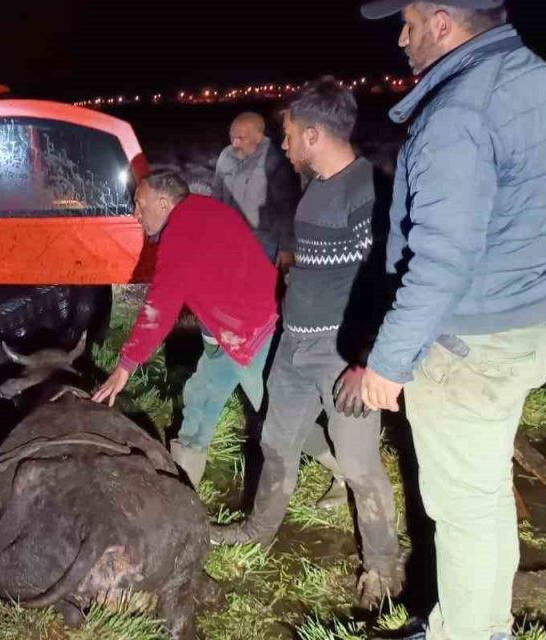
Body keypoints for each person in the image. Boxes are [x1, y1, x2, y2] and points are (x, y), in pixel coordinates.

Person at [356, 2, 546, 638]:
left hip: (466, 343)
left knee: (461, 510)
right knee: (482, 501)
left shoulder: (458, 113)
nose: (400, 39)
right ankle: (482, 625)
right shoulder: (540, 81)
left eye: (407, 22)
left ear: (442, 21)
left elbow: (440, 260)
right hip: (523, 326)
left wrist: (389, 361)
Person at [208, 78, 402, 608]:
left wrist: (367, 359)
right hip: (294, 345)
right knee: (275, 443)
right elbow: (313, 260)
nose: (284, 145)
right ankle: (258, 531)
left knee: (360, 466)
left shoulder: (372, 192)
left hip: (342, 356)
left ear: (314, 134)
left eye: (289, 135)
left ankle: (383, 568)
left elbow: (391, 281)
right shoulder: (312, 187)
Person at [90, 172, 340, 486]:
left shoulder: (180, 233)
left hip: (253, 336)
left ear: (164, 203)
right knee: (200, 398)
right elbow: (211, 280)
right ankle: (182, 486)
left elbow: (161, 304)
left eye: (140, 205)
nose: (135, 213)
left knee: (282, 418)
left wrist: (125, 366)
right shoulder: (201, 209)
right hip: (228, 335)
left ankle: (343, 471)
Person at [213, 112, 301, 270]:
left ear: (259, 137)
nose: (235, 143)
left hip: (264, 240)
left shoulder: (276, 162)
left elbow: (287, 208)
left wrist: (286, 247)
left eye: (241, 138)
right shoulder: (226, 157)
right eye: (232, 137)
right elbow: (217, 196)